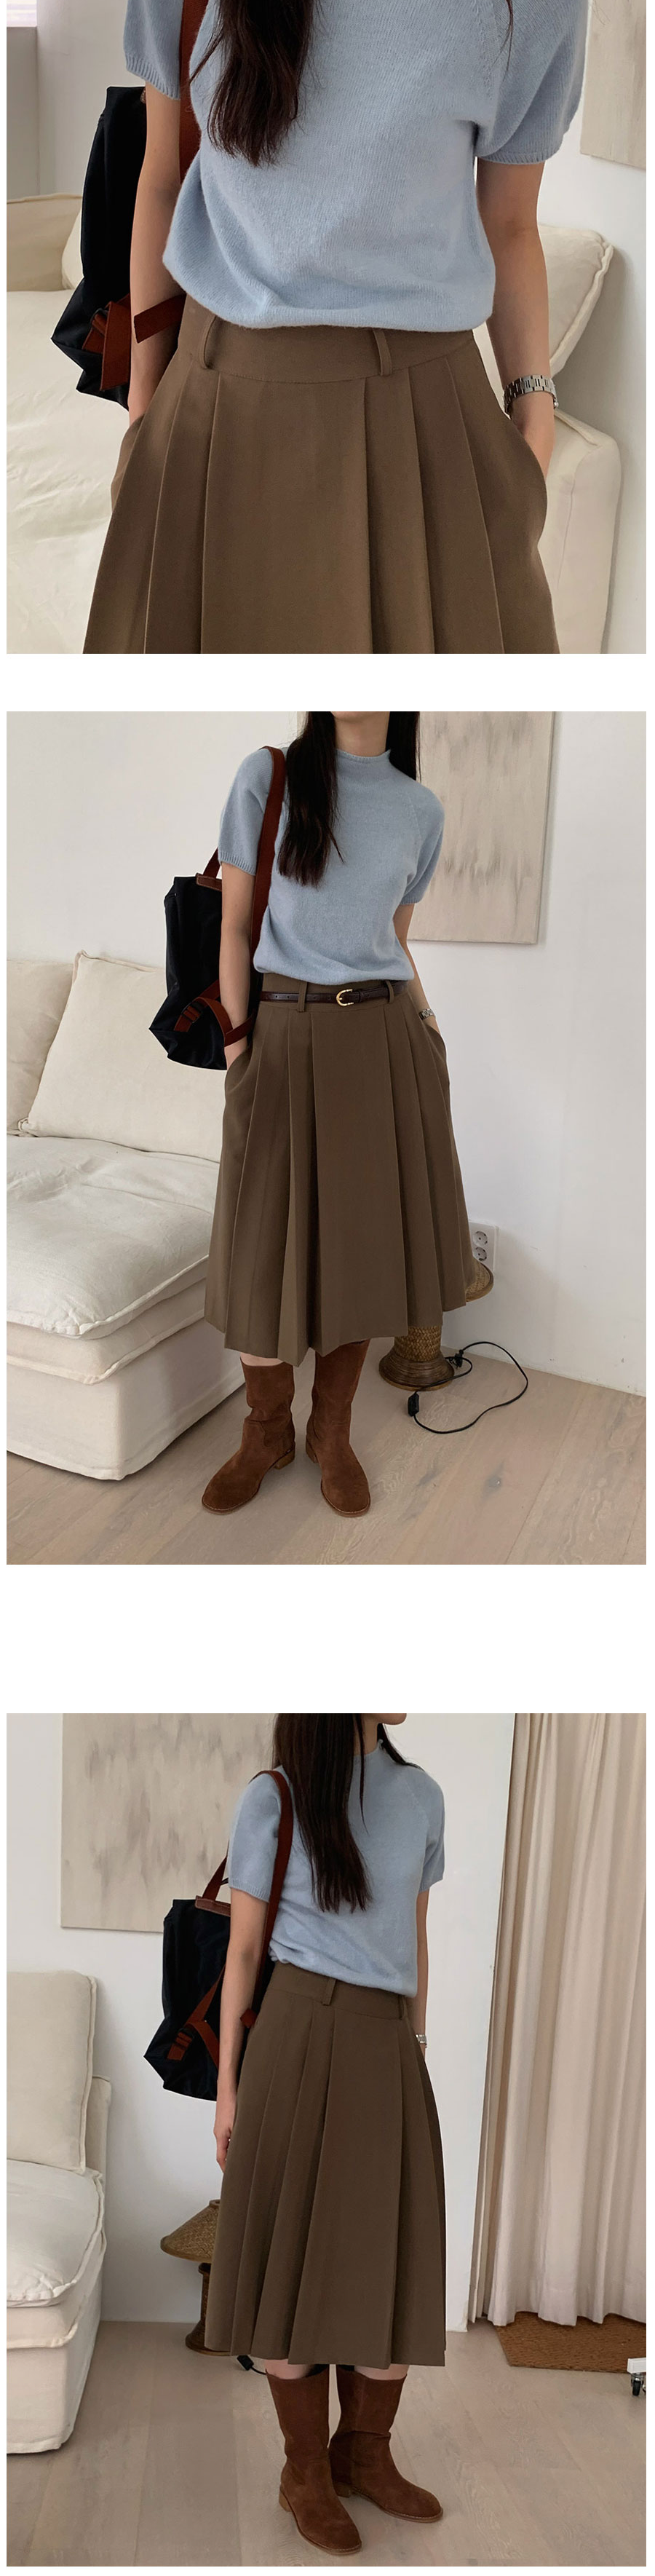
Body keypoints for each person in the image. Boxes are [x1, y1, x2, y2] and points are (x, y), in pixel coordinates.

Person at [84, 0, 588, 658]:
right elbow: (162, 177)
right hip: (212, 406)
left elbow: (509, 223)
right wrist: (141, 410)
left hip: (427, 425)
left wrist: (533, 415)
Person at [200, 705, 488, 1519]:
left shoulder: (420, 809)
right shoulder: (268, 776)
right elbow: (232, 926)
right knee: (259, 1250)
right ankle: (266, 1432)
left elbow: (395, 940)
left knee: (358, 1250)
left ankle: (331, 1433)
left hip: (383, 1039)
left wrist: (430, 1031)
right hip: (280, 1035)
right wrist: (239, 1052)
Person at [207, 1711, 448, 2554]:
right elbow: (242, 1954)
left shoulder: (422, 1795)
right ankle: (304, 2468)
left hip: (388, 2041)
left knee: (389, 2255)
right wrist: (227, 2088)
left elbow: (415, 1936)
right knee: (290, 2258)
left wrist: (417, 2043)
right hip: (298, 2032)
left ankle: (365, 2454)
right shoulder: (275, 1796)